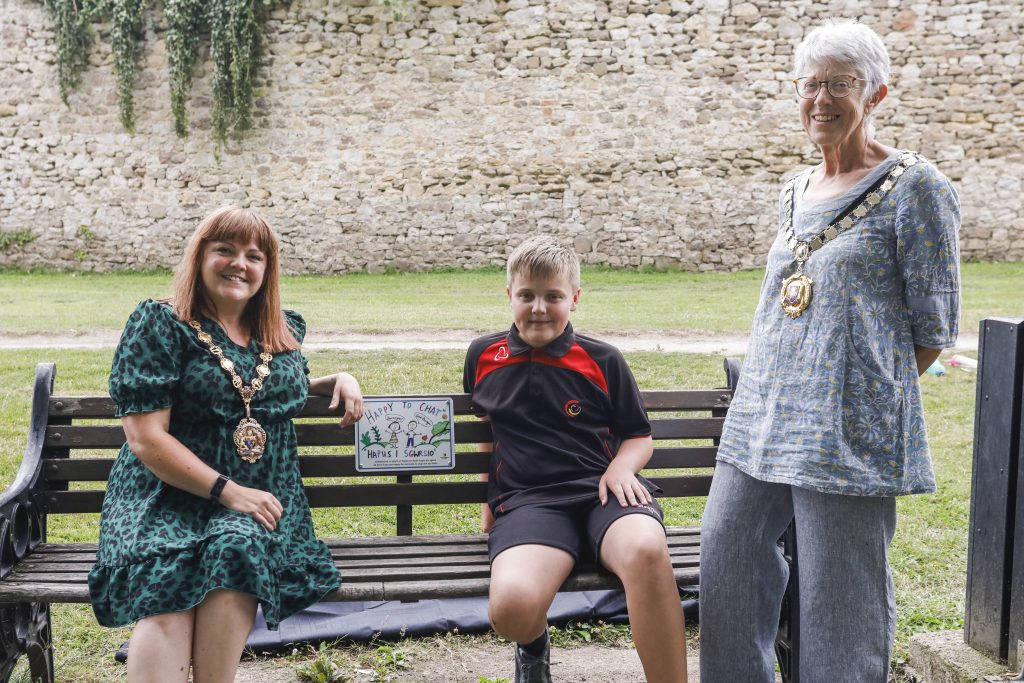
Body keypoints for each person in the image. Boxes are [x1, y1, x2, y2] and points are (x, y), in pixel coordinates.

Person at [698, 21, 961, 683]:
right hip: (762, 414)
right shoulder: (793, 189)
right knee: (726, 556)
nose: (821, 98)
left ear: (875, 93)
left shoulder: (915, 187)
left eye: (839, 83)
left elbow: (935, 327)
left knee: (840, 596)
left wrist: (858, 391)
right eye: (810, 83)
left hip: (847, 426)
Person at [88, 206, 364, 682]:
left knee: (239, 541)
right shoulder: (160, 323)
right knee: (167, 574)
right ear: (199, 257)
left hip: (257, 501)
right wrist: (228, 491)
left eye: (254, 256)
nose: (240, 263)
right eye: (225, 250)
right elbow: (145, 438)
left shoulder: (282, 332)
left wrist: (336, 379)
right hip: (164, 497)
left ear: (267, 270)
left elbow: (262, 393)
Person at [463, 235, 688, 683]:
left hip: (606, 494)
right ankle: (533, 645)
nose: (539, 308)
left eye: (554, 296)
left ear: (575, 299)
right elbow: (489, 431)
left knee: (646, 549)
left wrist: (622, 466)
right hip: (530, 503)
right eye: (527, 295)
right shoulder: (484, 356)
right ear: (509, 295)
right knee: (510, 608)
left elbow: (639, 436)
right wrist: (488, 501)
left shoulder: (603, 359)